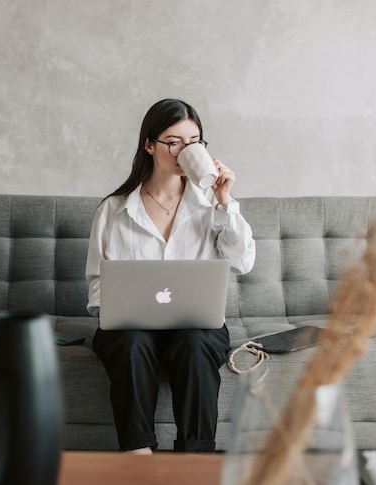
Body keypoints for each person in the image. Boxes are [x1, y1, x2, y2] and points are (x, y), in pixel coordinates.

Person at [85, 98, 256, 454]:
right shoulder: (114, 210)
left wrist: (226, 201)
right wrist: (118, 308)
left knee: (196, 345)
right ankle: (138, 456)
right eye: (173, 141)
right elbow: (98, 285)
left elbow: (243, 263)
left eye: (194, 142)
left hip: (194, 325)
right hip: (130, 329)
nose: (185, 151)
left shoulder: (211, 205)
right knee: (131, 344)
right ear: (150, 145)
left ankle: (194, 461)